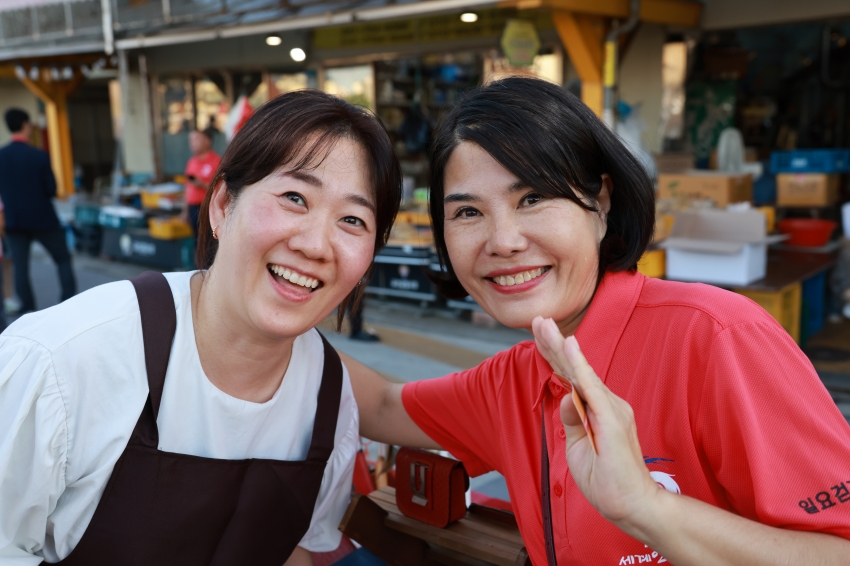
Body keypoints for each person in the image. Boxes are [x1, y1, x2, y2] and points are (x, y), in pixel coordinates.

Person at [347, 77, 850, 565]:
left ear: (601, 202)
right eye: (467, 213)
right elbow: (384, 405)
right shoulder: (515, 382)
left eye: (533, 198)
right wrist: (279, 315)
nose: (503, 241)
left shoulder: (715, 337)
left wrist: (651, 509)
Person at [0, 90, 401, 565]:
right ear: (222, 205)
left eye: (352, 220)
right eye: (295, 197)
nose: (317, 245)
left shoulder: (330, 399)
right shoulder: (60, 363)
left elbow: (294, 549)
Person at [0, 108, 76, 314]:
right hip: (43, 218)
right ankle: (70, 304)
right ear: (26, 125)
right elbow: (51, 189)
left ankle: (28, 309)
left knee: (21, 267)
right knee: (63, 259)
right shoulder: (39, 156)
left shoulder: (1, 156)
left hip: (14, 220)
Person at [181, 128, 221, 235]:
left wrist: (202, 184)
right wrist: (185, 211)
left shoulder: (216, 161)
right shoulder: (191, 162)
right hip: (193, 209)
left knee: (209, 244)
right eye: (191, 140)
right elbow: (188, 188)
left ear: (208, 141)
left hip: (208, 208)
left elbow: (222, 188)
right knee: (196, 243)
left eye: (196, 139)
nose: (192, 143)